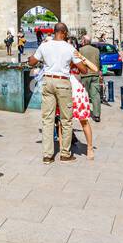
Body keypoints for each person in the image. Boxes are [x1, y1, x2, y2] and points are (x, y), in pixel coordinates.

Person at [33, 23, 96, 164]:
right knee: (66, 120)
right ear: (65, 33)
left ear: (54, 32)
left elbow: (32, 61)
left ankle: (47, 156)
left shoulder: (44, 45)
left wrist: (38, 57)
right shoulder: (69, 48)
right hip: (63, 83)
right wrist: (79, 59)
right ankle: (65, 154)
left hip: (48, 81)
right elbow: (84, 71)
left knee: (48, 120)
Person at [76, 39, 103, 122]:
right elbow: (99, 61)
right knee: (95, 95)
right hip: (95, 74)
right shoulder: (96, 50)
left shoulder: (80, 50)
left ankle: (84, 113)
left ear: (84, 41)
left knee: (84, 94)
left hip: (85, 75)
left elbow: (78, 62)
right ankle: (97, 115)